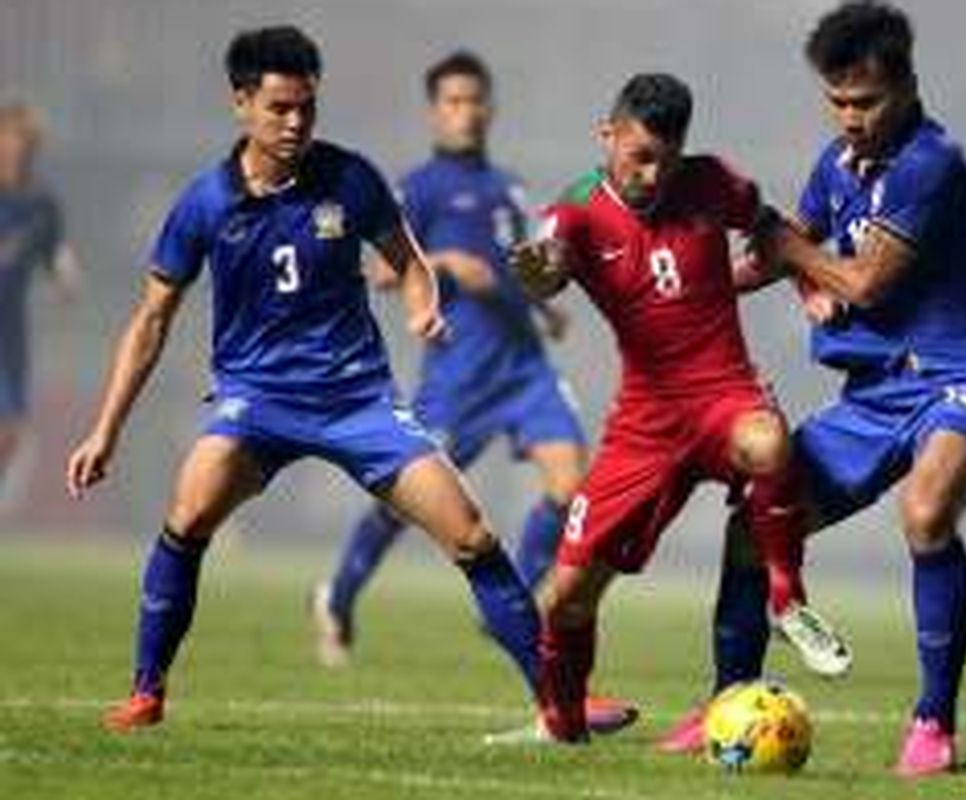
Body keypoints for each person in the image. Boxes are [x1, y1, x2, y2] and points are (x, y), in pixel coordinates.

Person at [64, 26, 634, 735]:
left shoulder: (350, 178)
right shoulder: (205, 204)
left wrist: (424, 303)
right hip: (258, 401)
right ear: (241, 102)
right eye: (279, 108)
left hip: (359, 400)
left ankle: (561, 706)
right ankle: (146, 692)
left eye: (306, 106)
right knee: (187, 517)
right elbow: (151, 321)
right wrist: (105, 429)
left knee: (472, 536)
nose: (296, 122)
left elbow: (410, 260)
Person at [660, 2, 966, 777]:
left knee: (925, 513)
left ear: (907, 86)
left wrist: (787, 244)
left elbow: (858, 279)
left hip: (961, 381)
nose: (851, 118)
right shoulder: (837, 164)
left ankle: (933, 724)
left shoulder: (932, 162)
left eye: (866, 101)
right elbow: (779, 258)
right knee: (752, 525)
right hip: (874, 397)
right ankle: (730, 699)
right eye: (838, 102)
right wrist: (676, 284)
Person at [498, 72, 851, 744]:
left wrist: (806, 277)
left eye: (666, 157)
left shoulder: (713, 181)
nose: (652, 174)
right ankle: (560, 724)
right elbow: (546, 263)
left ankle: (786, 597)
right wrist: (537, 273)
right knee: (567, 597)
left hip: (724, 393)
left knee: (769, 445)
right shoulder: (576, 210)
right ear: (608, 135)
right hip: (645, 422)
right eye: (639, 157)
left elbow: (770, 227)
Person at [311, 51, 587, 669]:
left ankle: (515, 605)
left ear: (490, 106)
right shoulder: (417, 188)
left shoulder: (508, 187)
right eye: (453, 102)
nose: (466, 112)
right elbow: (382, 271)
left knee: (571, 487)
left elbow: (517, 269)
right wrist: (447, 266)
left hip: (524, 366)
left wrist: (544, 307)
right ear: (435, 112)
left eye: (475, 100)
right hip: (458, 374)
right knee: (402, 504)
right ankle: (337, 595)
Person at [0, 102, 82, 492]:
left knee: (11, 432)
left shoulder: (41, 202)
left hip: (11, 329)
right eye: (10, 138)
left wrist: (64, 273)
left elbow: (56, 249)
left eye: (25, 141)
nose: (16, 148)